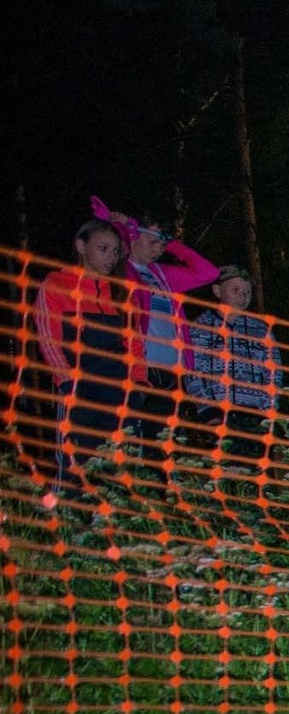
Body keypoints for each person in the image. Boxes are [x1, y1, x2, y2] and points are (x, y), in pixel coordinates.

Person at [33, 218, 138, 494]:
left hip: (117, 391)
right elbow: (47, 336)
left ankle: (114, 528)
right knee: (74, 464)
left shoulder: (121, 292)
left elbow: (135, 343)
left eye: (115, 251)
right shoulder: (57, 283)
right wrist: (65, 380)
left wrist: (138, 383)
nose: (110, 256)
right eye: (103, 248)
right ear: (81, 246)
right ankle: (68, 527)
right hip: (78, 388)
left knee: (118, 466)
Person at [90, 197, 216, 392]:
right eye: (153, 242)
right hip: (138, 369)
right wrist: (121, 227)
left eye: (162, 245)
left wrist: (171, 243)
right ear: (134, 235)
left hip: (171, 371)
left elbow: (208, 273)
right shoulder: (119, 269)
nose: (159, 249)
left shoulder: (163, 274)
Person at [181, 266, 278, 420]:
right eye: (235, 290)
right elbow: (191, 372)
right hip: (216, 413)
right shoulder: (199, 328)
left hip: (255, 414)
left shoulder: (261, 330)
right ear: (217, 291)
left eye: (247, 292)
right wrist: (206, 410)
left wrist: (268, 408)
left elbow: (274, 372)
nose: (243, 296)